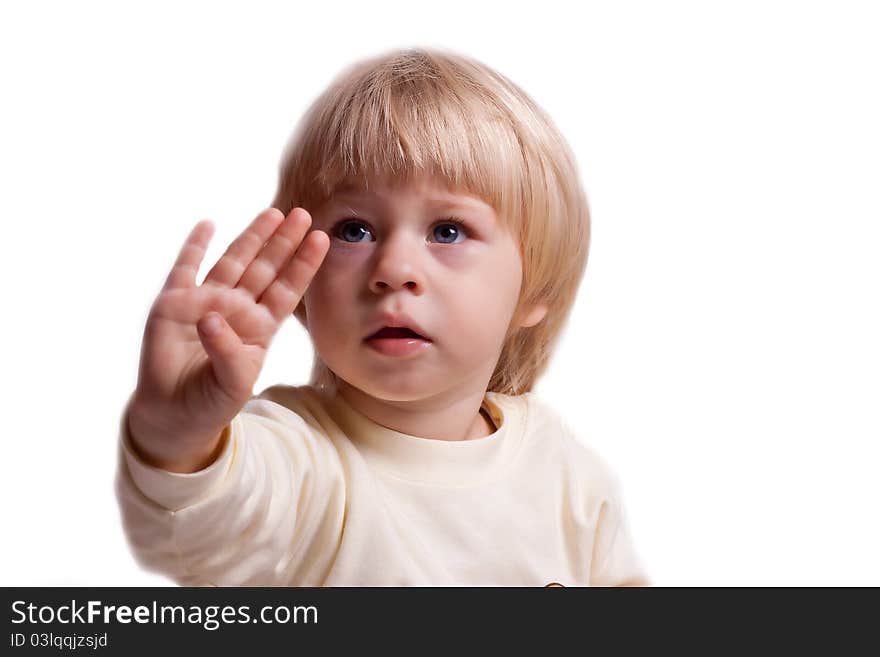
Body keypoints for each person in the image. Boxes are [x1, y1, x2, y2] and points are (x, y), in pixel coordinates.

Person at [116, 47, 649, 586]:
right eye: (354, 230)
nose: (393, 269)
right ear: (304, 283)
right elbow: (201, 522)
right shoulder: (295, 458)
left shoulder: (565, 474)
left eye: (447, 231)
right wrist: (176, 432)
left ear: (535, 288)